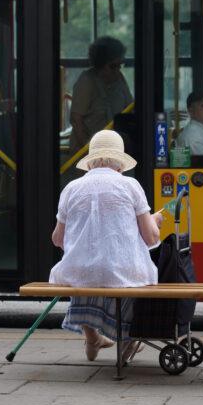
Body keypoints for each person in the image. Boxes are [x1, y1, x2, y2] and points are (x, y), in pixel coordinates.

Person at [50, 130, 162, 362]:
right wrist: (155, 222)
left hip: (79, 273)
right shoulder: (130, 185)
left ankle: (92, 336)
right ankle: (127, 338)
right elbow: (151, 238)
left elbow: (57, 239)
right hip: (124, 272)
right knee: (128, 275)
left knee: (83, 273)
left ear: (90, 162)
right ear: (120, 164)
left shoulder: (71, 188)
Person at [69, 36, 133, 153]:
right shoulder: (87, 81)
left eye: (120, 65)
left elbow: (130, 109)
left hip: (114, 151)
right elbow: (76, 120)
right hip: (87, 154)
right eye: (113, 66)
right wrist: (91, 151)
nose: (117, 70)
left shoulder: (120, 79)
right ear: (99, 64)